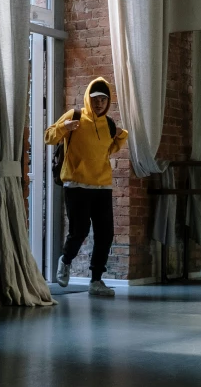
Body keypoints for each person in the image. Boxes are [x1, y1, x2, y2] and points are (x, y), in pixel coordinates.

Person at [45, 77, 128, 296]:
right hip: (76, 185)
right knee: (79, 231)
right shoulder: (75, 116)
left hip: (102, 187)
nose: (99, 103)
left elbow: (106, 152)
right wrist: (64, 127)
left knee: (105, 234)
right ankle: (66, 260)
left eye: (103, 99)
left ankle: (96, 280)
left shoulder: (108, 124)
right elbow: (48, 136)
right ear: (87, 99)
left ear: (108, 102)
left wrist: (120, 137)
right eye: (95, 99)